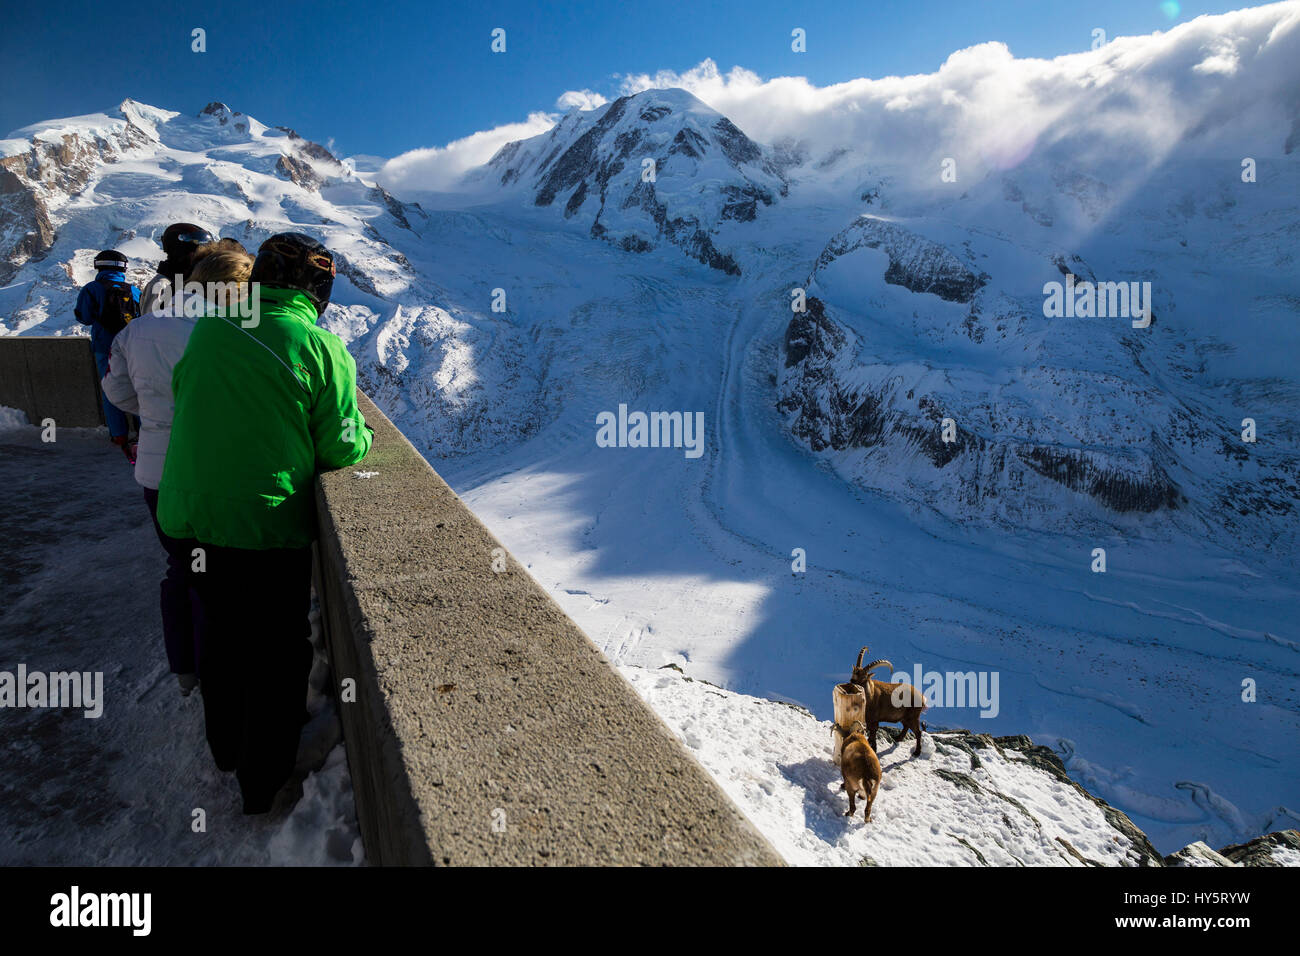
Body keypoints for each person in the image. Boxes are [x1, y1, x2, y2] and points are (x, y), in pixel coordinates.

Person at [157, 232, 372, 814]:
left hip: (188, 517)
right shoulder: (319, 347)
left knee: (222, 637)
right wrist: (366, 433)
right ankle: (260, 783)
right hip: (262, 527)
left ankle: (225, 749)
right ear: (317, 288)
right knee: (277, 653)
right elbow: (341, 446)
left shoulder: (211, 332)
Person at [101, 248, 257, 698]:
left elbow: (116, 391)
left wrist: (156, 418)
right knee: (223, 578)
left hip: (154, 472)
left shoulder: (139, 330)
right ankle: (223, 680)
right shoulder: (231, 331)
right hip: (213, 474)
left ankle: (185, 667)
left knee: (182, 568)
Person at [75, 249, 141, 460]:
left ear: (98, 266)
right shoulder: (134, 290)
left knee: (110, 391)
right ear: (123, 268)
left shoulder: (92, 289)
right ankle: (144, 433)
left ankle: (119, 436)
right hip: (133, 347)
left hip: (105, 348)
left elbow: (84, 317)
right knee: (140, 389)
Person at [139, 223, 215, 315]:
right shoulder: (161, 285)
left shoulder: (186, 281)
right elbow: (149, 323)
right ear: (180, 252)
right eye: (197, 252)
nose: (201, 258)